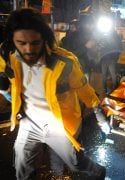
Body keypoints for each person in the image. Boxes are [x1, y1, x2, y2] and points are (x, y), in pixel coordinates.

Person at [0, 8, 110, 179]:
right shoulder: (9, 55)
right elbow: (2, 67)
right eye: (21, 43)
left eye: (35, 42)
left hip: (59, 124)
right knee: (22, 166)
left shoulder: (65, 62)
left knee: (75, 162)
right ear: (13, 41)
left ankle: (98, 171)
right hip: (30, 122)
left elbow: (84, 89)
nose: (28, 49)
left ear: (43, 38)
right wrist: (3, 84)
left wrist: (99, 114)